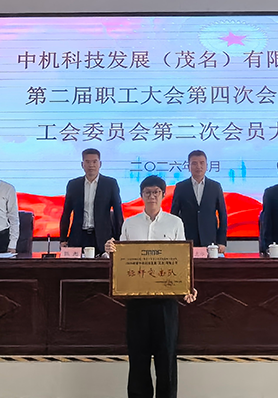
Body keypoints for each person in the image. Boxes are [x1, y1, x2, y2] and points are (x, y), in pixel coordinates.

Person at [105, 175, 197, 398]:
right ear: (141, 195)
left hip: (166, 302)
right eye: (147, 192)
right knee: (138, 359)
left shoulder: (175, 223)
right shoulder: (130, 223)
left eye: (156, 192)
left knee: (167, 360)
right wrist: (110, 250)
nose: (152, 196)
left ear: (163, 195)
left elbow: (182, 261)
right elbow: (121, 260)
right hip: (137, 301)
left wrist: (188, 286)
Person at [59, 148, 123, 256]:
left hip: (103, 237)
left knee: (103, 265)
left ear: (100, 164)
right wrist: (63, 239)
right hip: (78, 236)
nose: (91, 165)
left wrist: (118, 238)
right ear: (82, 164)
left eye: (94, 161)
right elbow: (66, 213)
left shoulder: (110, 184)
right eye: (87, 162)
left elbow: (118, 213)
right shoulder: (73, 185)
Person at [170, 150, 227, 253]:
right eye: (194, 163)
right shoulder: (181, 187)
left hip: (210, 240)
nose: (198, 167)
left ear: (207, 166)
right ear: (189, 166)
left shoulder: (215, 187)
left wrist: (221, 241)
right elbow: (174, 215)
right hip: (187, 239)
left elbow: (222, 215)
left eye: (202, 163)